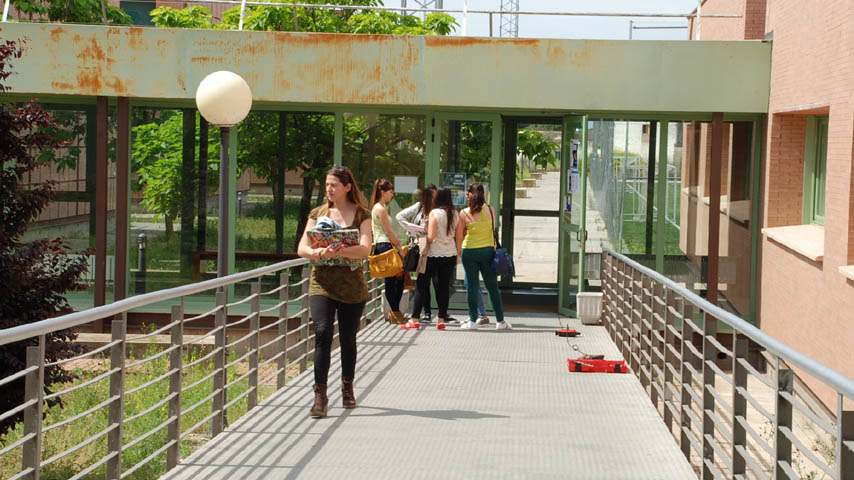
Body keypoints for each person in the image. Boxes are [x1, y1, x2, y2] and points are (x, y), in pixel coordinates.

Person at [297, 165, 372, 418]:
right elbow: (302, 248)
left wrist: (338, 249)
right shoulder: (318, 213)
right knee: (322, 332)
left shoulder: (362, 214)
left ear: (347, 187)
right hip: (322, 283)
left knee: (348, 338)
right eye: (327, 185)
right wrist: (316, 252)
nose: (329, 189)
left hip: (351, 286)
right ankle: (320, 395)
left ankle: (347, 386)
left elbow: (365, 250)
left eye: (334, 185)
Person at [455, 182, 511, 331]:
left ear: (470, 195)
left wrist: (458, 252)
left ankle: (473, 322)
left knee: (472, 287)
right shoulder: (491, 210)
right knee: (492, 287)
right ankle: (500, 322)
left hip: (469, 252)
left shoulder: (464, 213)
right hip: (487, 252)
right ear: (483, 195)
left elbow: (459, 236)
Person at [418, 187, 459, 330]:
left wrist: (422, 235)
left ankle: (418, 317)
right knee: (444, 287)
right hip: (450, 253)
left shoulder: (434, 213)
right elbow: (458, 237)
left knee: (423, 284)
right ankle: (441, 319)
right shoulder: (455, 213)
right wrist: (458, 255)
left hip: (434, 254)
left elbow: (431, 237)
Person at [396, 184, 437, 324]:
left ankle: (438, 313)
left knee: (434, 281)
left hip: (435, 248)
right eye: (431, 195)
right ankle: (426, 313)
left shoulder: (438, 210)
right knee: (422, 281)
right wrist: (411, 229)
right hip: (420, 247)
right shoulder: (419, 207)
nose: (433, 198)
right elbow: (399, 216)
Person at [369, 178, 405, 324]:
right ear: (383, 192)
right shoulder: (381, 209)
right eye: (390, 192)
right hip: (385, 246)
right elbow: (389, 232)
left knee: (395, 279)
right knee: (394, 280)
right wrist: (400, 248)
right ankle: (395, 313)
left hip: (382, 245)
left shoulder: (378, 207)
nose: (392, 195)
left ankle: (395, 312)